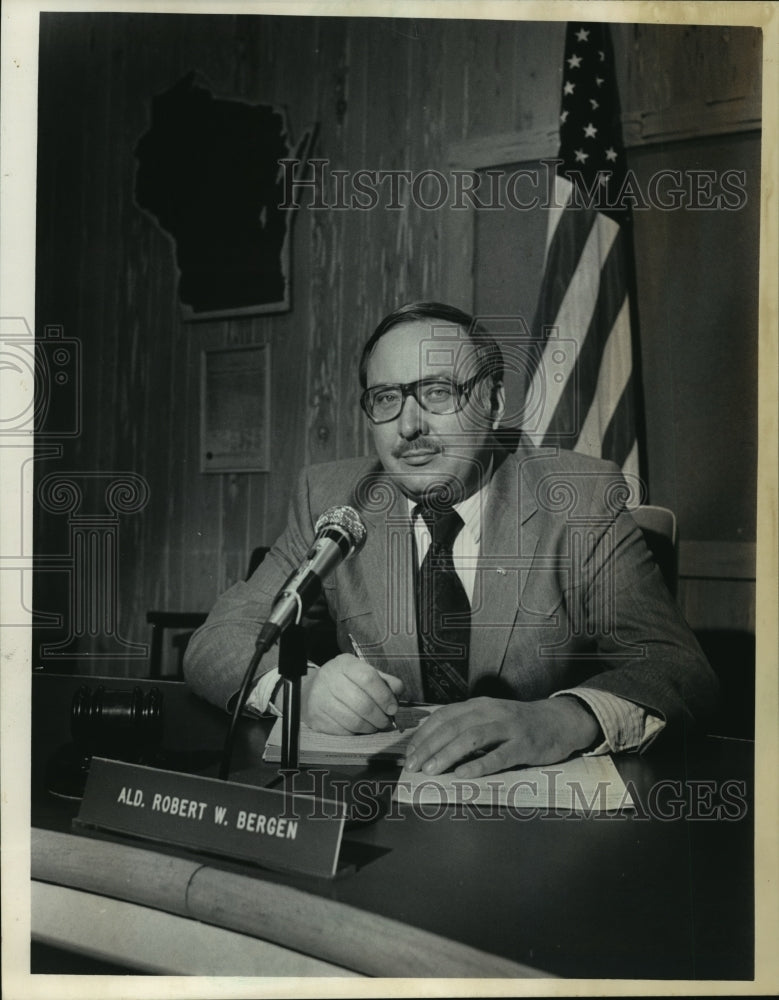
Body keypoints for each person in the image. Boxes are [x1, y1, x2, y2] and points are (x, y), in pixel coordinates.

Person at [184, 301, 718, 778]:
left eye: (438, 392)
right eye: (387, 398)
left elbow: (679, 669)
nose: (410, 425)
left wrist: (560, 719)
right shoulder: (333, 497)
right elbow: (221, 638)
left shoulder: (576, 498)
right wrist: (296, 693)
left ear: (493, 401)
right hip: (387, 804)